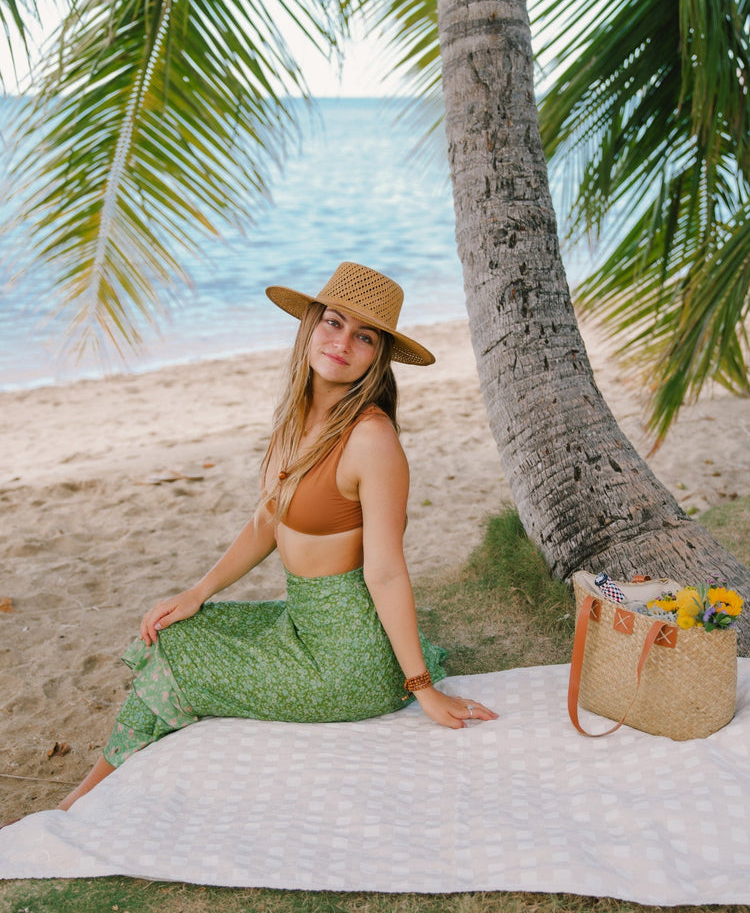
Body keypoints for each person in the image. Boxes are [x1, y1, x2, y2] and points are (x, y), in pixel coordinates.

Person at [58, 262, 497, 811]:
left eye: (364, 336)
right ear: (310, 325)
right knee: (173, 633)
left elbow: (384, 572)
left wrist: (423, 688)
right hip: (303, 622)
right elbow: (270, 518)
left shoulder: (371, 438)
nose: (342, 343)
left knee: (181, 661)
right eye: (334, 323)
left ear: (378, 355)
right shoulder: (297, 416)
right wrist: (198, 591)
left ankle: (82, 799)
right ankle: (97, 788)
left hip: (345, 660)